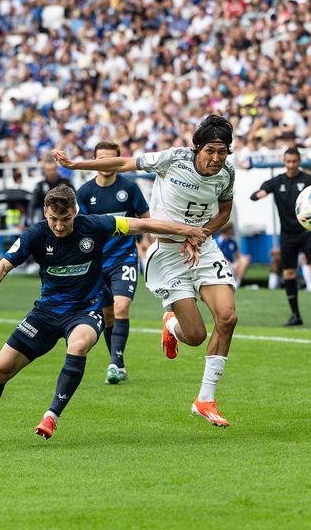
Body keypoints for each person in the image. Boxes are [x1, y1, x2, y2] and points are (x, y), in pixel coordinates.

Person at [0, 185, 206, 444]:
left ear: (75, 212)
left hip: (86, 309)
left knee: (78, 345)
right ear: (45, 212)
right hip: (46, 312)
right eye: (54, 219)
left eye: (66, 219)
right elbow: (3, 265)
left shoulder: (96, 225)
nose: (59, 226)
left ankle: (51, 416)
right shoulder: (35, 234)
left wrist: (188, 230)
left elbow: (144, 224)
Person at [53, 115, 239, 427]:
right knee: (195, 336)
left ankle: (205, 399)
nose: (217, 158)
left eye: (223, 152)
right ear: (197, 149)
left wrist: (201, 234)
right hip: (168, 254)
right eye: (211, 151)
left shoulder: (227, 174)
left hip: (202, 248)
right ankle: (172, 327)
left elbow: (224, 212)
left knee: (228, 318)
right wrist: (74, 166)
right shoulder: (173, 159)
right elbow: (124, 164)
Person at [75, 141, 150, 384]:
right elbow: (81, 231)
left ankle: (114, 364)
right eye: (101, 159)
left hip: (124, 259)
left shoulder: (129, 188)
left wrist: (151, 244)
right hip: (97, 263)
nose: (106, 164)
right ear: (93, 161)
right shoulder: (85, 192)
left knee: (121, 308)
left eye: (111, 159)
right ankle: (119, 363)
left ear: (119, 161)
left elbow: (147, 219)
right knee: (108, 316)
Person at [250, 147, 311, 326]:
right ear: (284, 162)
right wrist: (260, 194)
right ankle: (295, 316)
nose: (291, 165)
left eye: (294, 161)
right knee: (289, 273)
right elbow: (257, 194)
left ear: (299, 162)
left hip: (308, 232)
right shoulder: (277, 181)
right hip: (287, 235)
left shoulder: (308, 179)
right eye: (288, 161)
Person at [30, 157, 74, 224]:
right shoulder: (40, 186)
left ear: (57, 169)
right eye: (49, 170)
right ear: (44, 171)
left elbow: (75, 200)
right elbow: (32, 205)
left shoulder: (66, 183)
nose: (52, 172)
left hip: (65, 220)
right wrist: (30, 222)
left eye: (53, 169)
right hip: (46, 222)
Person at [216, 221, 250, 286]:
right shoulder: (219, 240)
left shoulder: (232, 240)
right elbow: (220, 256)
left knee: (244, 261)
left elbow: (238, 254)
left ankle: (237, 284)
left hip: (231, 265)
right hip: (222, 265)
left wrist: (245, 258)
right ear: (229, 230)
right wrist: (231, 265)